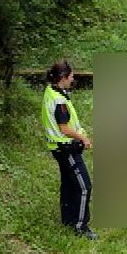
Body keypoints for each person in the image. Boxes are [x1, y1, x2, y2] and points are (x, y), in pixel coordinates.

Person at [42, 60, 96, 239]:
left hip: (58, 148)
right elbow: (64, 128)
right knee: (84, 186)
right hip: (66, 149)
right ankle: (81, 226)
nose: (73, 79)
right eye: (71, 76)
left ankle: (67, 219)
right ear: (63, 78)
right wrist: (83, 138)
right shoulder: (59, 101)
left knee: (68, 184)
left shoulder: (52, 92)